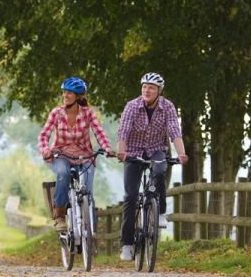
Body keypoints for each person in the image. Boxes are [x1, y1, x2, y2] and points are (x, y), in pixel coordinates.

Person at [116, 72, 189, 261]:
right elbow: (123, 131)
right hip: (133, 151)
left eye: (151, 88)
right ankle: (127, 244)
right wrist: (121, 151)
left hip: (156, 149)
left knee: (159, 171)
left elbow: (174, 130)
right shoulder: (132, 106)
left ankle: (160, 211)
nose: (147, 90)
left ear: (159, 91)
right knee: (130, 196)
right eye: (144, 87)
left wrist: (181, 153)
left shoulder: (168, 107)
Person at [38, 77, 115, 233]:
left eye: (69, 93)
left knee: (87, 190)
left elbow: (98, 132)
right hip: (61, 155)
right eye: (64, 92)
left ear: (78, 96)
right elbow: (43, 135)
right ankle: (59, 215)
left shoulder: (88, 113)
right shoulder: (56, 113)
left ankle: (90, 233)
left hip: (85, 156)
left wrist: (107, 148)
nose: (65, 95)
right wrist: (45, 149)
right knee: (62, 173)